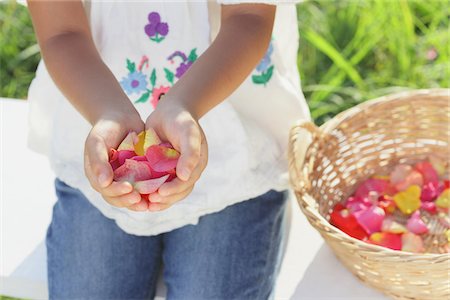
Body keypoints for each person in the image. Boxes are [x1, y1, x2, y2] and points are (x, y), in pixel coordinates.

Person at [27, 0, 310, 298]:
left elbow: (249, 15)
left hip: (236, 152)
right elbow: (62, 31)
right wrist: (107, 112)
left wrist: (183, 106)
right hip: (95, 117)